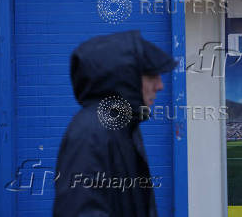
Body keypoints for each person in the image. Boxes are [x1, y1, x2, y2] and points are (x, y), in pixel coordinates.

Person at [53, 30, 176, 217]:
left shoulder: (122, 127)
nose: (160, 86)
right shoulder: (91, 133)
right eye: (151, 77)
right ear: (126, 79)